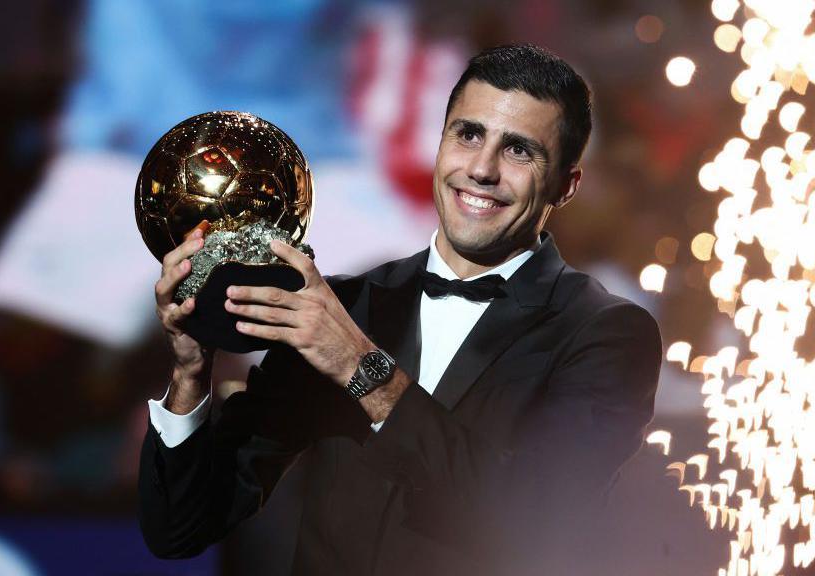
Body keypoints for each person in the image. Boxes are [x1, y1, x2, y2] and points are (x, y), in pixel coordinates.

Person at [139, 44, 661, 576]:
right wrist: (189, 372)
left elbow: (534, 518)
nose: (481, 169)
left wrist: (362, 370)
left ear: (566, 185)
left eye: (519, 151)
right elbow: (181, 528)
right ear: (440, 143)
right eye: (469, 134)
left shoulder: (606, 333)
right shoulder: (346, 307)